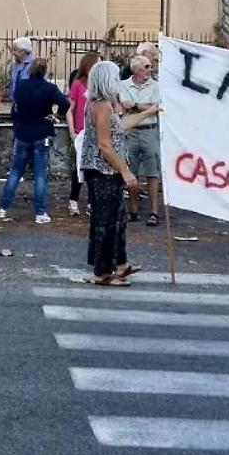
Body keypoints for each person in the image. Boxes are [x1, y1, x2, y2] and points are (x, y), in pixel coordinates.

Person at [81, 61, 159, 286]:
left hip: (104, 169)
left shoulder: (102, 104)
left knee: (117, 218)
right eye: (115, 78)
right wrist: (125, 171)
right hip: (103, 170)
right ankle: (104, 272)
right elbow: (104, 144)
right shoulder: (102, 106)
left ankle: (119, 264)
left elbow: (121, 126)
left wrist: (150, 111)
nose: (118, 82)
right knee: (106, 221)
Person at [0, 58, 69, 223]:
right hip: (42, 131)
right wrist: (55, 115)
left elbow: (15, 108)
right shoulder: (50, 88)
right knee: (40, 174)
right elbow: (65, 103)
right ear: (45, 71)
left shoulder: (21, 86)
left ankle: (3, 208)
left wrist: (18, 123)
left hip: (23, 132)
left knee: (15, 171)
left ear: (30, 70)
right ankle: (40, 213)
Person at [119, 55, 163, 226]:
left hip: (149, 131)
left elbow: (156, 107)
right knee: (132, 171)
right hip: (131, 132)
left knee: (153, 172)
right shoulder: (124, 85)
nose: (150, 69)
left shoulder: (156, 85)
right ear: (137, 69)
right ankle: (133, 210)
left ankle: (154, 211)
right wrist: (145, 107)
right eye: (147, 66)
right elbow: (125, 104)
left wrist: (135, 105)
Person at [66, 52, 100, 216]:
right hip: (81, 131)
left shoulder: (99, 86)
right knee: (79, 167)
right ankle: (73, 200)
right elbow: (70, 109)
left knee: (95, 169)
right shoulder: (78, 84)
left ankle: (92, 202)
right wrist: (72, 131)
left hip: (97, 131)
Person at [7, 37, 34, 102]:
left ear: (23, 51)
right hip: (15, 104)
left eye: (15, 50)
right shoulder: (15, 65)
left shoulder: (35, 65)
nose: (13, 53)